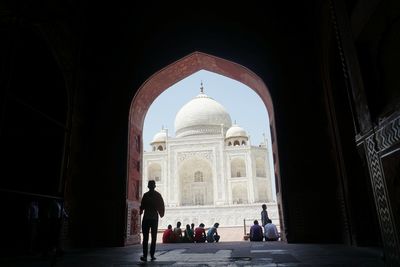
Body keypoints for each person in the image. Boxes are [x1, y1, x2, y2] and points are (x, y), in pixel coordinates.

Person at [140, 180, 165, 262]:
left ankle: (151, 254)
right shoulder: (148, 195)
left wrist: (161, 213)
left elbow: (161, 205)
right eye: (150, 185)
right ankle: (146, 255)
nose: (151, 187)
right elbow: (142, 205)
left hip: (151, 218)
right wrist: (140, 211)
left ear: (153, 186)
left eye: (151, 185)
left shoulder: (155, 195)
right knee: (146, 238)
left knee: (152, 238)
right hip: (149, 218)